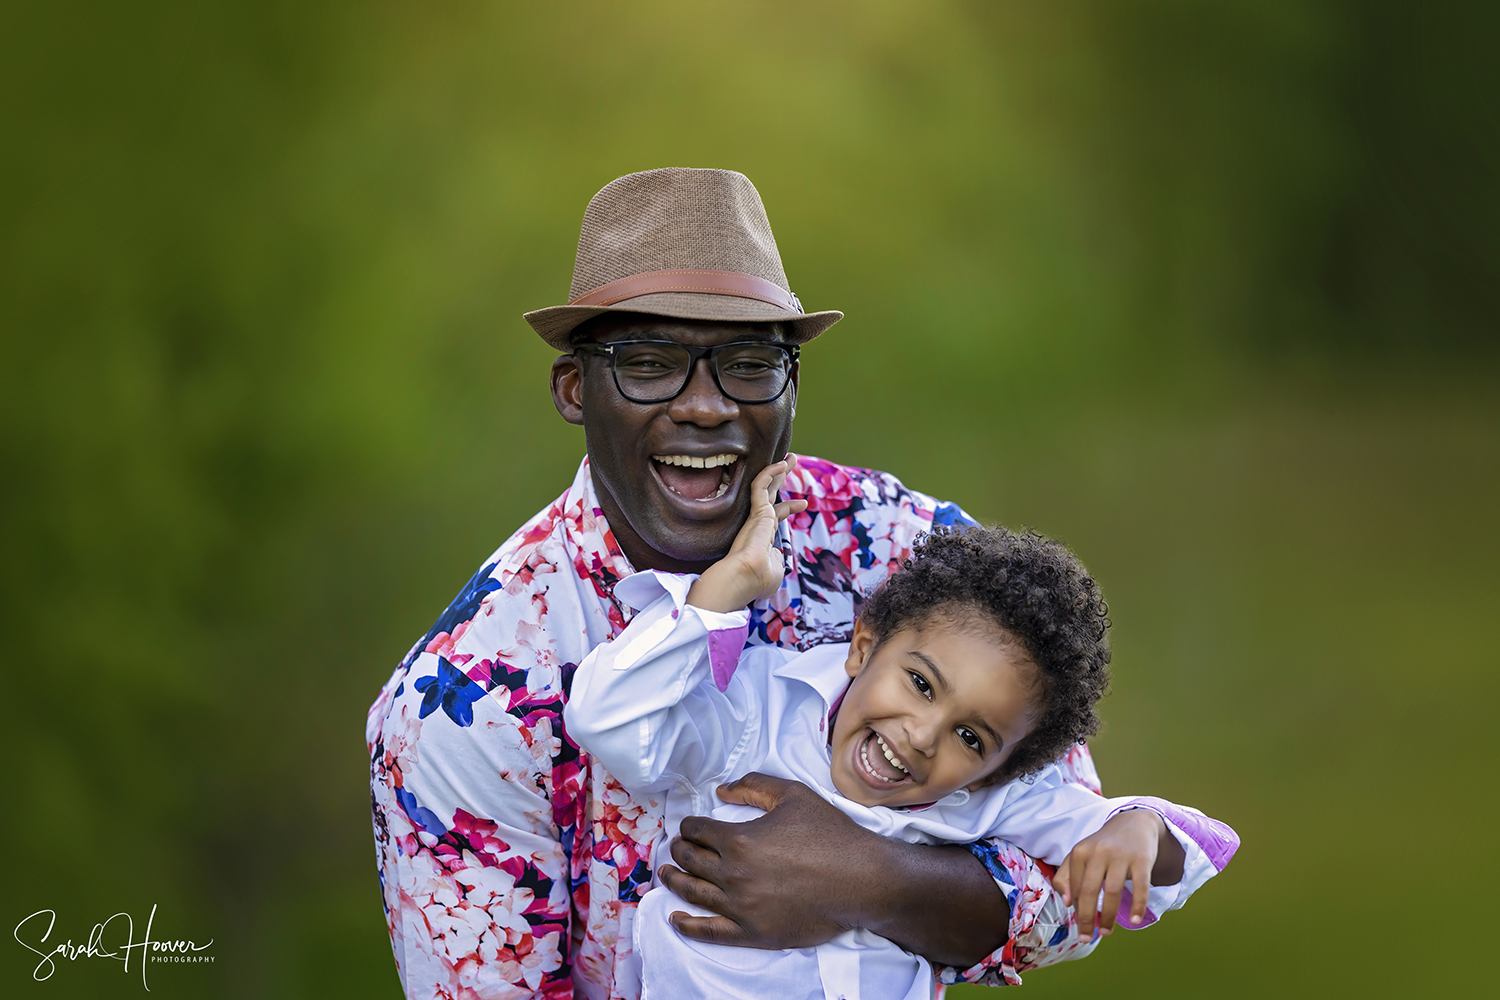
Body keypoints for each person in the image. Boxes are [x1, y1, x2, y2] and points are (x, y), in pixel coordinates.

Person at [367, 168, 1145, 999]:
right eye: (650, 362)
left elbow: (1078, 886)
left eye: (746, 363)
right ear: (573, 389)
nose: (705, 406)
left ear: (792, 385)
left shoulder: (905, 550)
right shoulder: (465, 704)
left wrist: (872, 880)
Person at [564, 458, 1238, 1000]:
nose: (921, 736)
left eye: (971, 738)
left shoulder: (987, 799)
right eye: (919, 683)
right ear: (863, 645)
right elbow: (608, 722)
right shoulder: (759, 710)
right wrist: (724, 590)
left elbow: (1189, 855)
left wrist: (1138, 826)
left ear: (1001, 767)